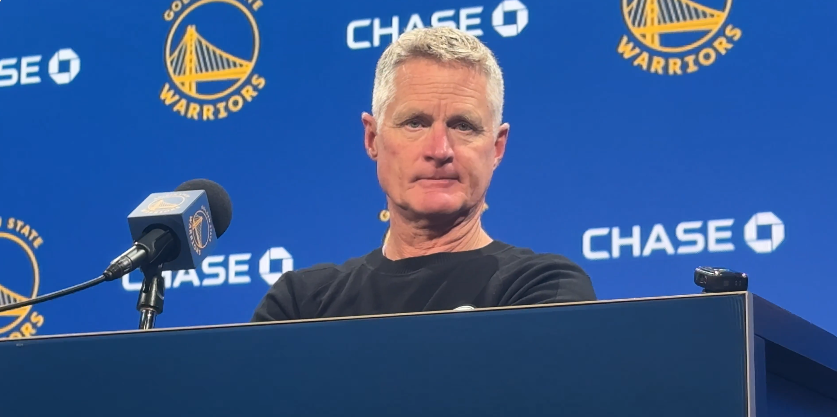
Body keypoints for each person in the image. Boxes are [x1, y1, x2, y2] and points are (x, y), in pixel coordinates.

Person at [251, 27, 596, 322]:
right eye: (415, 123)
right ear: (372, 138)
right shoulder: (301, 303)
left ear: (497, 147)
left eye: (463, 126)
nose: (439, 149)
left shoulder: (543, 288)